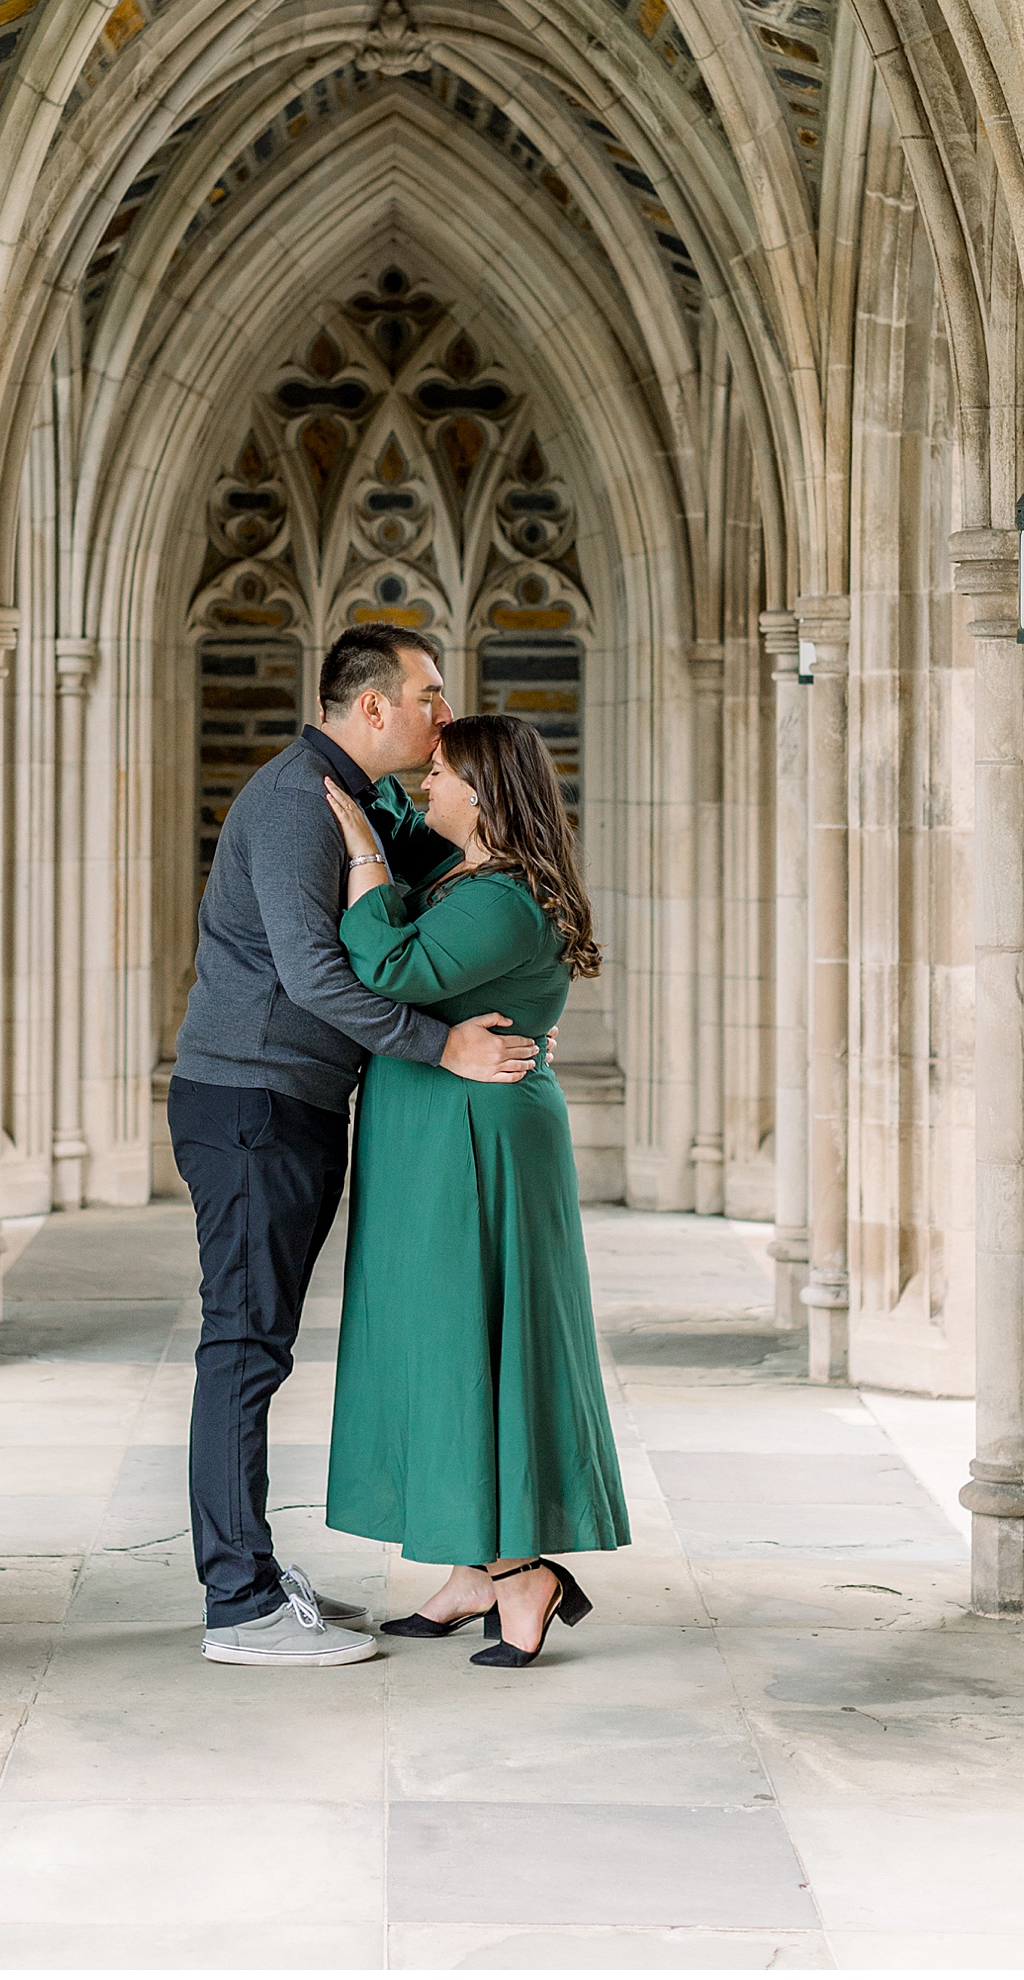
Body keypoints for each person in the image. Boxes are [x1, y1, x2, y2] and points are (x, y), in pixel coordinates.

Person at [168, 624, 540, 1666]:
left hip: (287, 1100)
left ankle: (248, 1569)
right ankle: (238, 1602)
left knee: (260, 1342)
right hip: (251, 1102)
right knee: (243, 1344)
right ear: (371, 706)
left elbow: (445, 883)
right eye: (429, 692)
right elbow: (315, 976)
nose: (444, 713)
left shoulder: (360, 799)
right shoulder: (298, 803)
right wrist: (440, 1048)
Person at [322, 712, 630, 1667]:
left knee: (474, 1336)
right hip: (431, 1131)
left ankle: (521, 1574)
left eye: (445, 774)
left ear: (487, 795)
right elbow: (398, 814)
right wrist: (375, 793)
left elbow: (390, 964)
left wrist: (366, 858)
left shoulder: (503, 899)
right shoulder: (465, 870)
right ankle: (469, 1567)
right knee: (434, 1339)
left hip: (478, 1142)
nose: (429, 786)